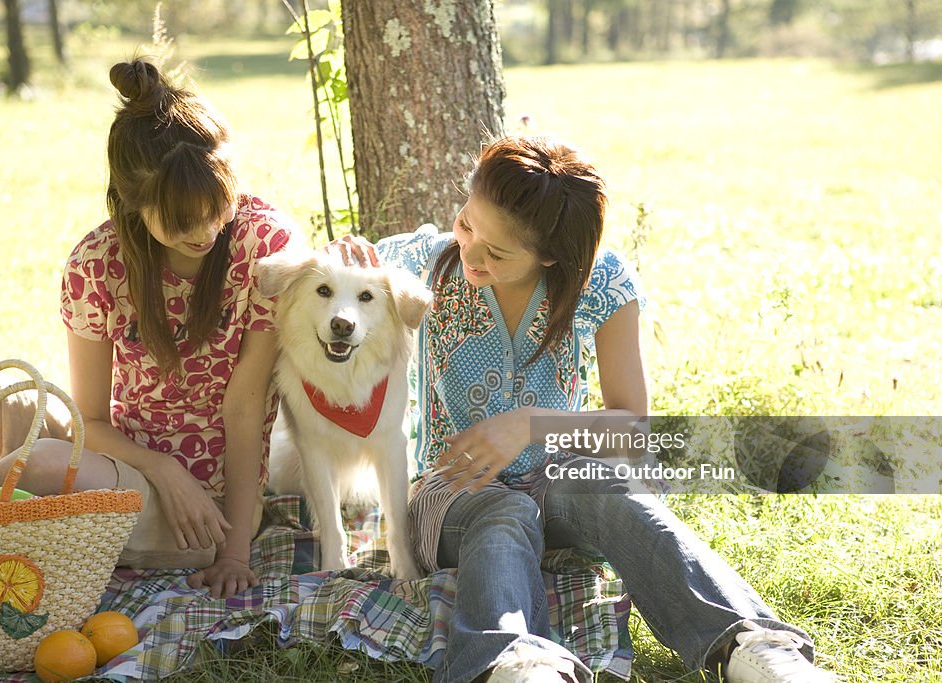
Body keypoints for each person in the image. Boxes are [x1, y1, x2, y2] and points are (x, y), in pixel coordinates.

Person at [332, 136, 836, 682]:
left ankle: (750, 648)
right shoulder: (422, 265)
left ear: (551, 255)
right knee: (505, 512)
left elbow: (631, 427)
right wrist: (346, 257)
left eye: (497, 252)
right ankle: (513, 665)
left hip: (560, 477)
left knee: (614, 490)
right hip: (451, 489)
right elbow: (341, 275)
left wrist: (529, 425)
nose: (471, 252)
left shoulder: (601, 282)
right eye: (466, 223)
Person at [0, 60, 296, 599]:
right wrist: (161, 466)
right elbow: (89, 420)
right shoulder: (96, 263)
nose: (208, 230)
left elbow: (245, 406)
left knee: (41, 462)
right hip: (120, 456)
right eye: (182, 219)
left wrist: (234, 551)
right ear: (133, 204)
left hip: (204, 510)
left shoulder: (262, 246)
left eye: (217, 205)